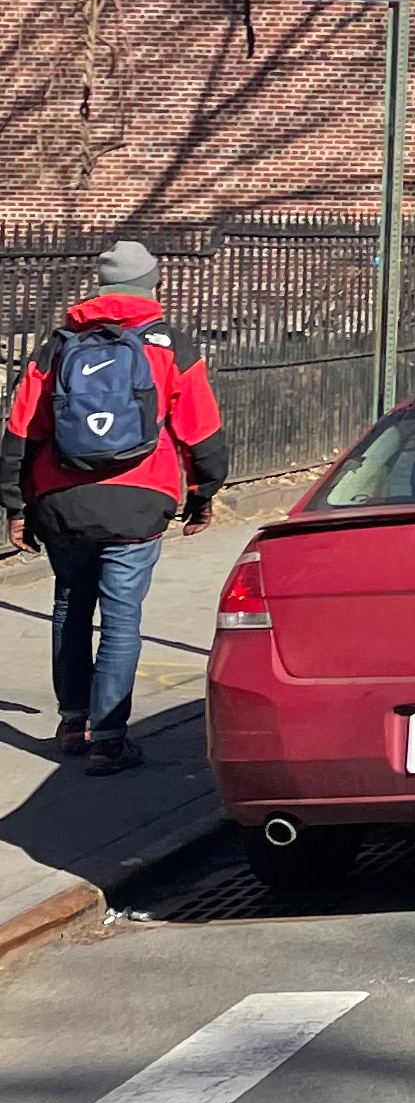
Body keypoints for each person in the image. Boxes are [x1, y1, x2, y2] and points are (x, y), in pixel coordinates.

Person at [0, 241, 230, 773]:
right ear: (153, 284)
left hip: (61, 501)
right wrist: (203, 494)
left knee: (69, 606)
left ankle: (71, 719)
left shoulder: (57, 346)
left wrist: (15, 505)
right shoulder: (169, 344)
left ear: (100, 287)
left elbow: (21, 429)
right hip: (139, 500)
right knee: (122, 618)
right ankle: (108, 739)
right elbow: (202, 431)